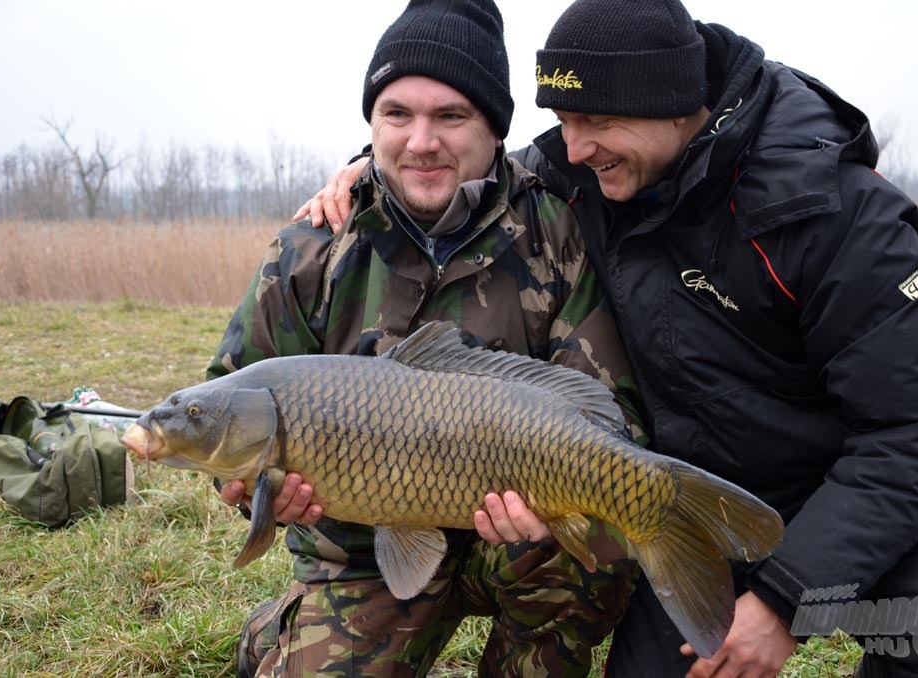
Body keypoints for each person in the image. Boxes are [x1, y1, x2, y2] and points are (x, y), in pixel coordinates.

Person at [294, 1, 918, 676]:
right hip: (676, 505)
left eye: (594, 120)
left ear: (673, 105)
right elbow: (457, 164)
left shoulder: (840, 212)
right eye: (562, 120)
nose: (573, 148)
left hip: (846, 499)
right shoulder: (584, 176)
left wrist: (787, 597)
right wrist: (373, 170)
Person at [211, 1, 645, 676]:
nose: (421, 142)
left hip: (514, 539)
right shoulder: (310, 249)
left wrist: (553, 498)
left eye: (450, 116)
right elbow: (226, 410)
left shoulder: (557, 234)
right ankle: (282, 632)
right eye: (397, 115)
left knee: (598, 538)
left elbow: (608, 410)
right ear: (371, 125)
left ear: (494, 130)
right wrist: (248, 493)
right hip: (361, 551)